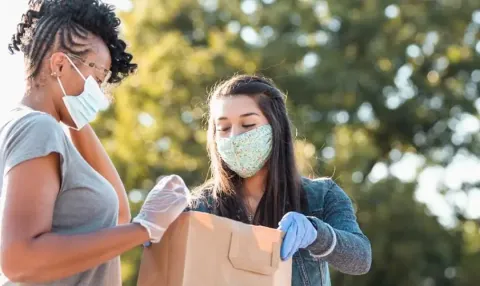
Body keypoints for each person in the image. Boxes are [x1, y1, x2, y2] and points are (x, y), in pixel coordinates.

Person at [0, 1, 188, 285]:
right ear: (60, 64)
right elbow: (18, 259)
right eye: (96, 79)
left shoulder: (31, 127)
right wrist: (145, 229)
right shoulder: (38, 128)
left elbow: (118, 217)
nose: (99, 94)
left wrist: (76, 116)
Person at [189, 75, 372, 285]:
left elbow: (361, 259)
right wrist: (156, 220)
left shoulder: (322, 196)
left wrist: (316, 233)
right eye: (223, 128)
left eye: (248, 125)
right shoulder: (201, 206)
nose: (234, 138)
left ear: (276, 127)